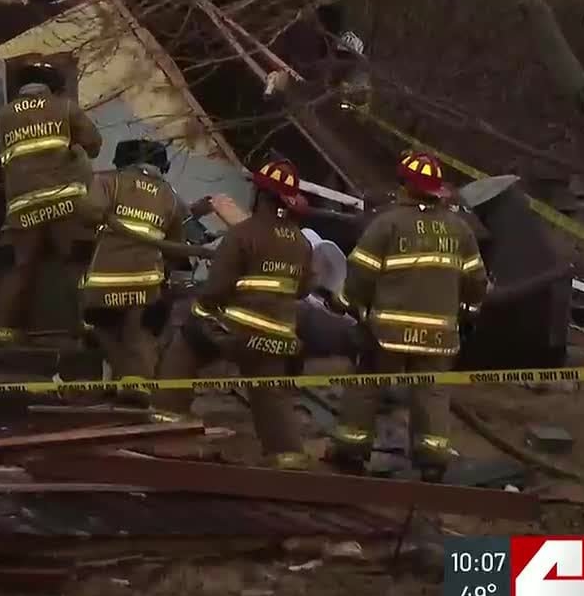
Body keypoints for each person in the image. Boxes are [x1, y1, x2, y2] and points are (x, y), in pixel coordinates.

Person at [328, 152, 490, 481]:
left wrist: (346, 303)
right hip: (440, 335)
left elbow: (361, 273)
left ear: (404, 186)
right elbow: (476, 281)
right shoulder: (459, 230)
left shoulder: (387, 224)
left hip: (388, 331)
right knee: (431, 392)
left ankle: (351, 451)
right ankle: (432, 459)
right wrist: (468, 313)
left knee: (367, 384)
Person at [152, 159, 314, 470]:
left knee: (186, 344)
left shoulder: (243, 234)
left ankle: (166, 422)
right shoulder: (302, 242)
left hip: (237, 331)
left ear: (260, 195)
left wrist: (201, 311)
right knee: (270, 394)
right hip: (278, 338)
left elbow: (216, 290)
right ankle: (287, 456)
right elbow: (304, 288)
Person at [0, 58, 103, 346]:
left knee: (21, 267)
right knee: (76, 265)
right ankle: (89, 326)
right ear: (52, 87)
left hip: (23, 208)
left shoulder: (3, 116)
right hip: (66, 202)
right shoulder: (65, 107)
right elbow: (94, 145)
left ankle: (5, 332)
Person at [78, 139, 189, 392]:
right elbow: (176, 248)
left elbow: (87, 213)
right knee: (139, 332)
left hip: (103, 281)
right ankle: (135, 384)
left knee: (101, 326)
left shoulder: (108, 181)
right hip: (145, 282)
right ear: (162, 166)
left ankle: (120, 377)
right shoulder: (171, 197)